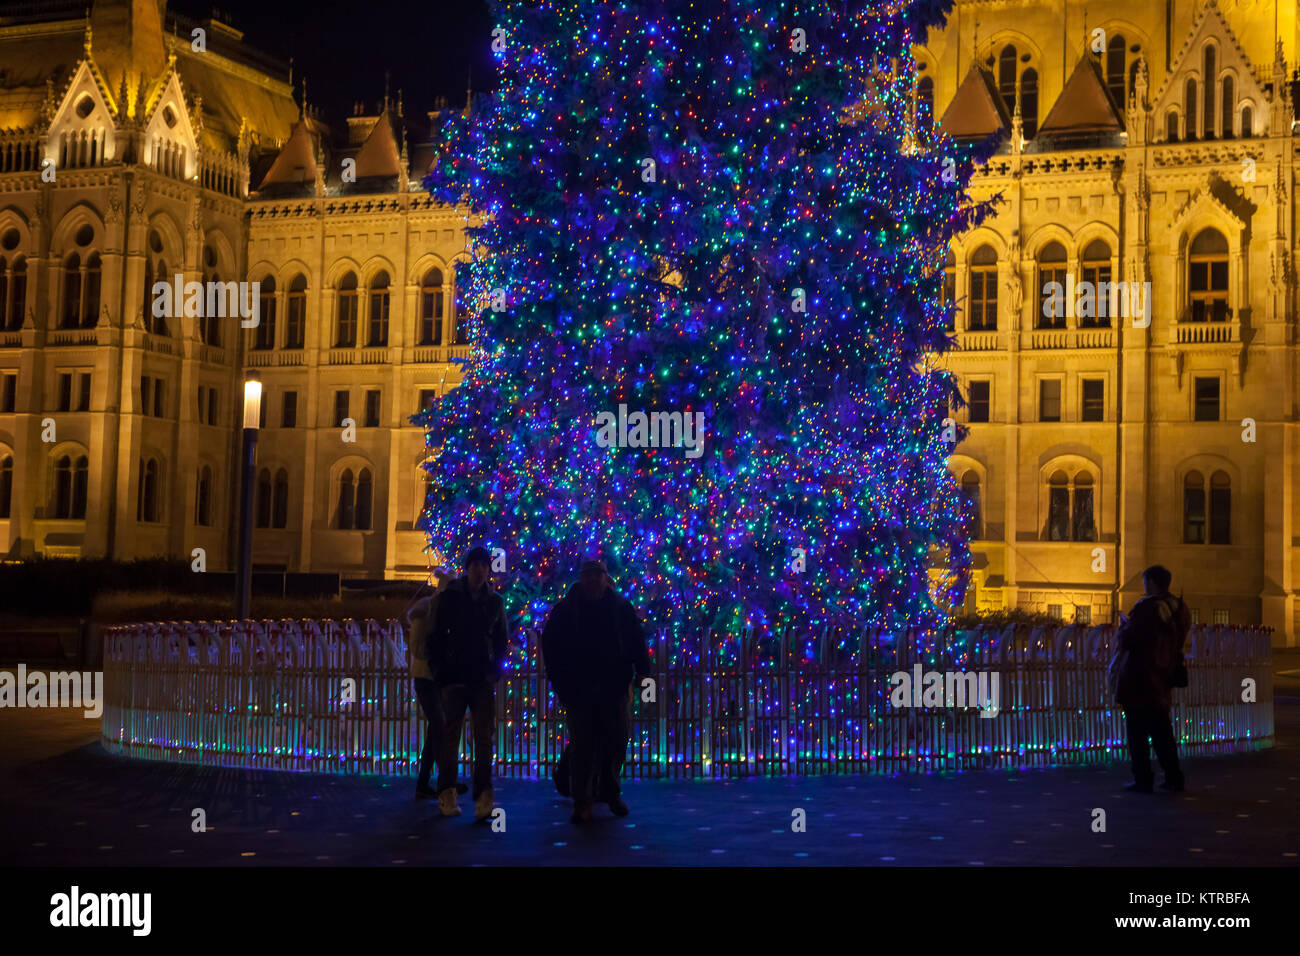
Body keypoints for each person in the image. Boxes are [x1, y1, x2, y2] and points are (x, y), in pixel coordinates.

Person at [542, 560, 651, 824]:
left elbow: (637, 641)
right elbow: (552, 647)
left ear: (605, 578)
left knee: (615, 742)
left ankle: (610, 792)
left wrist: (643, 673)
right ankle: (583, 801)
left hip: (612, 686)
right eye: (588, 575)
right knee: (583, 745)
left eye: (597, 575)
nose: (592, 580)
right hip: (579, 688)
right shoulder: (567, 610)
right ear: (582, 578)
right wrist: (561, 682)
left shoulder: (620, 608)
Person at [429, 547, 509, 821]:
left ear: (488, 570)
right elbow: (436, 636)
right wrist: (441, 671)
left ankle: (483, 793)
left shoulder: (494, 602)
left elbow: (501, 640)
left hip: (480, 677)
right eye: (474, 565)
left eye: (483, 566)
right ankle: (448, 790)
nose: (479, 570)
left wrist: (494, 670)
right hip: (454, 676)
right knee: (452, 736)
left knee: (483, 738)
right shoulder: (450, 598)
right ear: (468, 568)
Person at [1110, 564, 1191, 794]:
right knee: (1162, 731)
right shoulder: (1178, 607)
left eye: (1146, 582)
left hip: (1141, 677)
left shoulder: (1148, 608)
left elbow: (1133, 639)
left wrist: (1125, 628)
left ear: (1152, 583)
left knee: (1137, 733)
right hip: (1163, 675)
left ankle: (1143, 778)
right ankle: (1174, 776)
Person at [403, 574, 466, 801]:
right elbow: (417, 648)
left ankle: (424, 783)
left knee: (435, 731)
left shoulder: (453, 612)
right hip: (426, 677)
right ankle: (445, 781)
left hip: (441, 678)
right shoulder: (426, 612)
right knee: (440, 725)